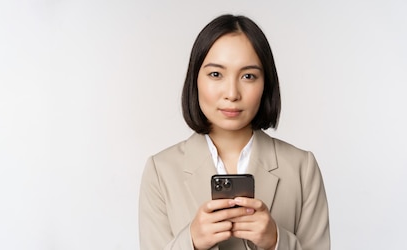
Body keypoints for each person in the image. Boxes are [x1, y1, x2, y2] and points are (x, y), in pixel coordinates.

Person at [139, 14, 330, 250]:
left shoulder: (302, 167)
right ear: (195, 80)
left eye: (248, 76)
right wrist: (191, 242)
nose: (232, 93)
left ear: (265, 84)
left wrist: (276, 241)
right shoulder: (161, 170)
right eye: (216, 74)